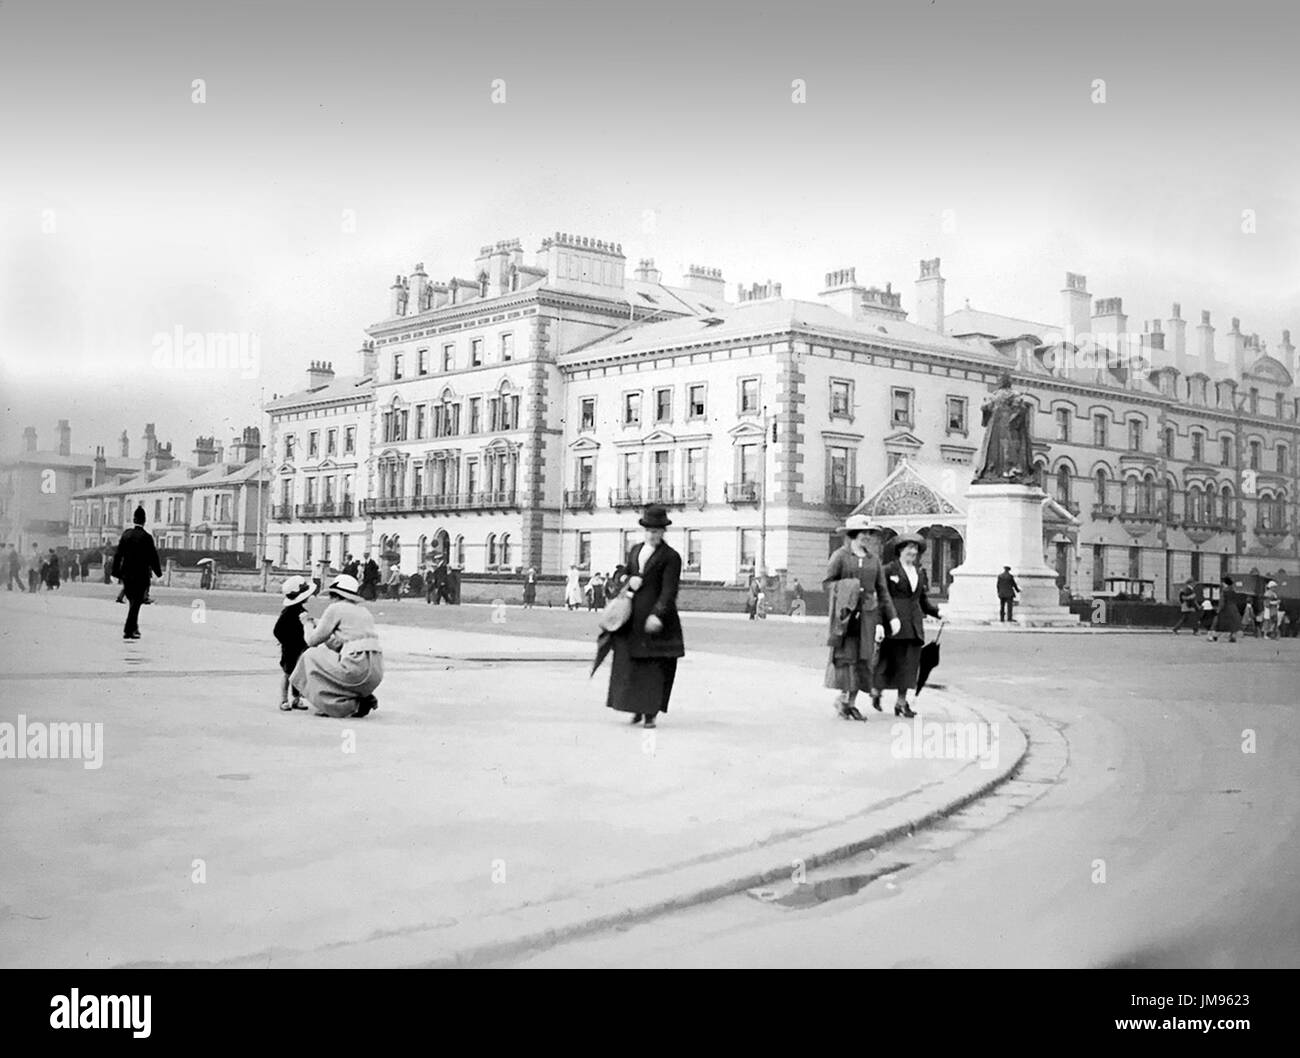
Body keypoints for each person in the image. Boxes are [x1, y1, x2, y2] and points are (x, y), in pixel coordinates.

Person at [604, 505, 684, 729]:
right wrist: (628, 579)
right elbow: (621, 572)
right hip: (632, 618)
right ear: (644, 531)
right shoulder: (635, 549)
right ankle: (636, 709)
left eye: (657, 531)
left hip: (656, 621)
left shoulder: (671, 557)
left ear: (663, 532)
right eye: (649, 530)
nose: (653, 535)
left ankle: (650, 714)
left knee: (652, 669)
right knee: (630, 666)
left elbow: (670, 590)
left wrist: (657, 614)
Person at [823, 514, 900, 721]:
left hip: (867, 615)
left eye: (870, 533)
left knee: (863, 658)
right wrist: (848, 588)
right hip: (846, 618)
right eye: (864, 533)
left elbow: (882, 590)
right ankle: (845, 700)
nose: (867, 537)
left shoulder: (873, 560)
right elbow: (828, 582)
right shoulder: (840, 556)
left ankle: (851, 702)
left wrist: (891, 617)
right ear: (853, 534)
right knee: (846, 658)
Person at [291, 574, 383, 718]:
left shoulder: (335, 608)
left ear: (335, 595)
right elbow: (341, 644)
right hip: (375, 670)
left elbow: (311, 641)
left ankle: (343, 705)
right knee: (331, 658)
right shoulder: (364, 611)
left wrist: (307, 624)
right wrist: (319, 625)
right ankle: (361, 696)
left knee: (310, 656)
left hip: (356, 668)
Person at [877, 533, 941, 718]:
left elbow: (922, 601)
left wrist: (937, 613)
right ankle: (877, 691)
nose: (913, 552)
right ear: (900, 550)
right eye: (909, 548)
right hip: (894, 623)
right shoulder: (888, 570)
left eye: (915, 549)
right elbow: (882, 597)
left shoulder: (919, 573)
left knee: (910, 666)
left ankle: (901, 702)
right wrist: (881, 623)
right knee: (888, 663)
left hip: (914, 625)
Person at [111, 506, 161, 640]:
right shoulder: (147, 537)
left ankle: (134, 628)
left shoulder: (126, 534)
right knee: (136, 602)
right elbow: (153, 556)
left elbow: (118, 554)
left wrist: (115, 572)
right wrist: (158, 572)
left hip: (126, 574)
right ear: (144, 520)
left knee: (133, 601)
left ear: (134, 519)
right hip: (141, 574)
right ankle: (129, 629)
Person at [273, 576, 316, 711]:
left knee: (297, 674)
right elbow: (277, 630)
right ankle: (284, 699)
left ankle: (295, 699)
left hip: (300, 647)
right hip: (291, 648)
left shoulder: (301, 612)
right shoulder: (288, 613)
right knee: (288, 673)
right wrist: (286, 642)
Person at [1208, 576, 1242, 643]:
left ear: (1225, 583)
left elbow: (1222, 602)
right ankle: (1232, 637)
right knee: (1232, 624)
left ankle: (1213, 636)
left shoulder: (1224, 591)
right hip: (1234, 608)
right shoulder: (1234, 591)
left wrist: (1218, 610)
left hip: (1226, 609)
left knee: (1218, 622)